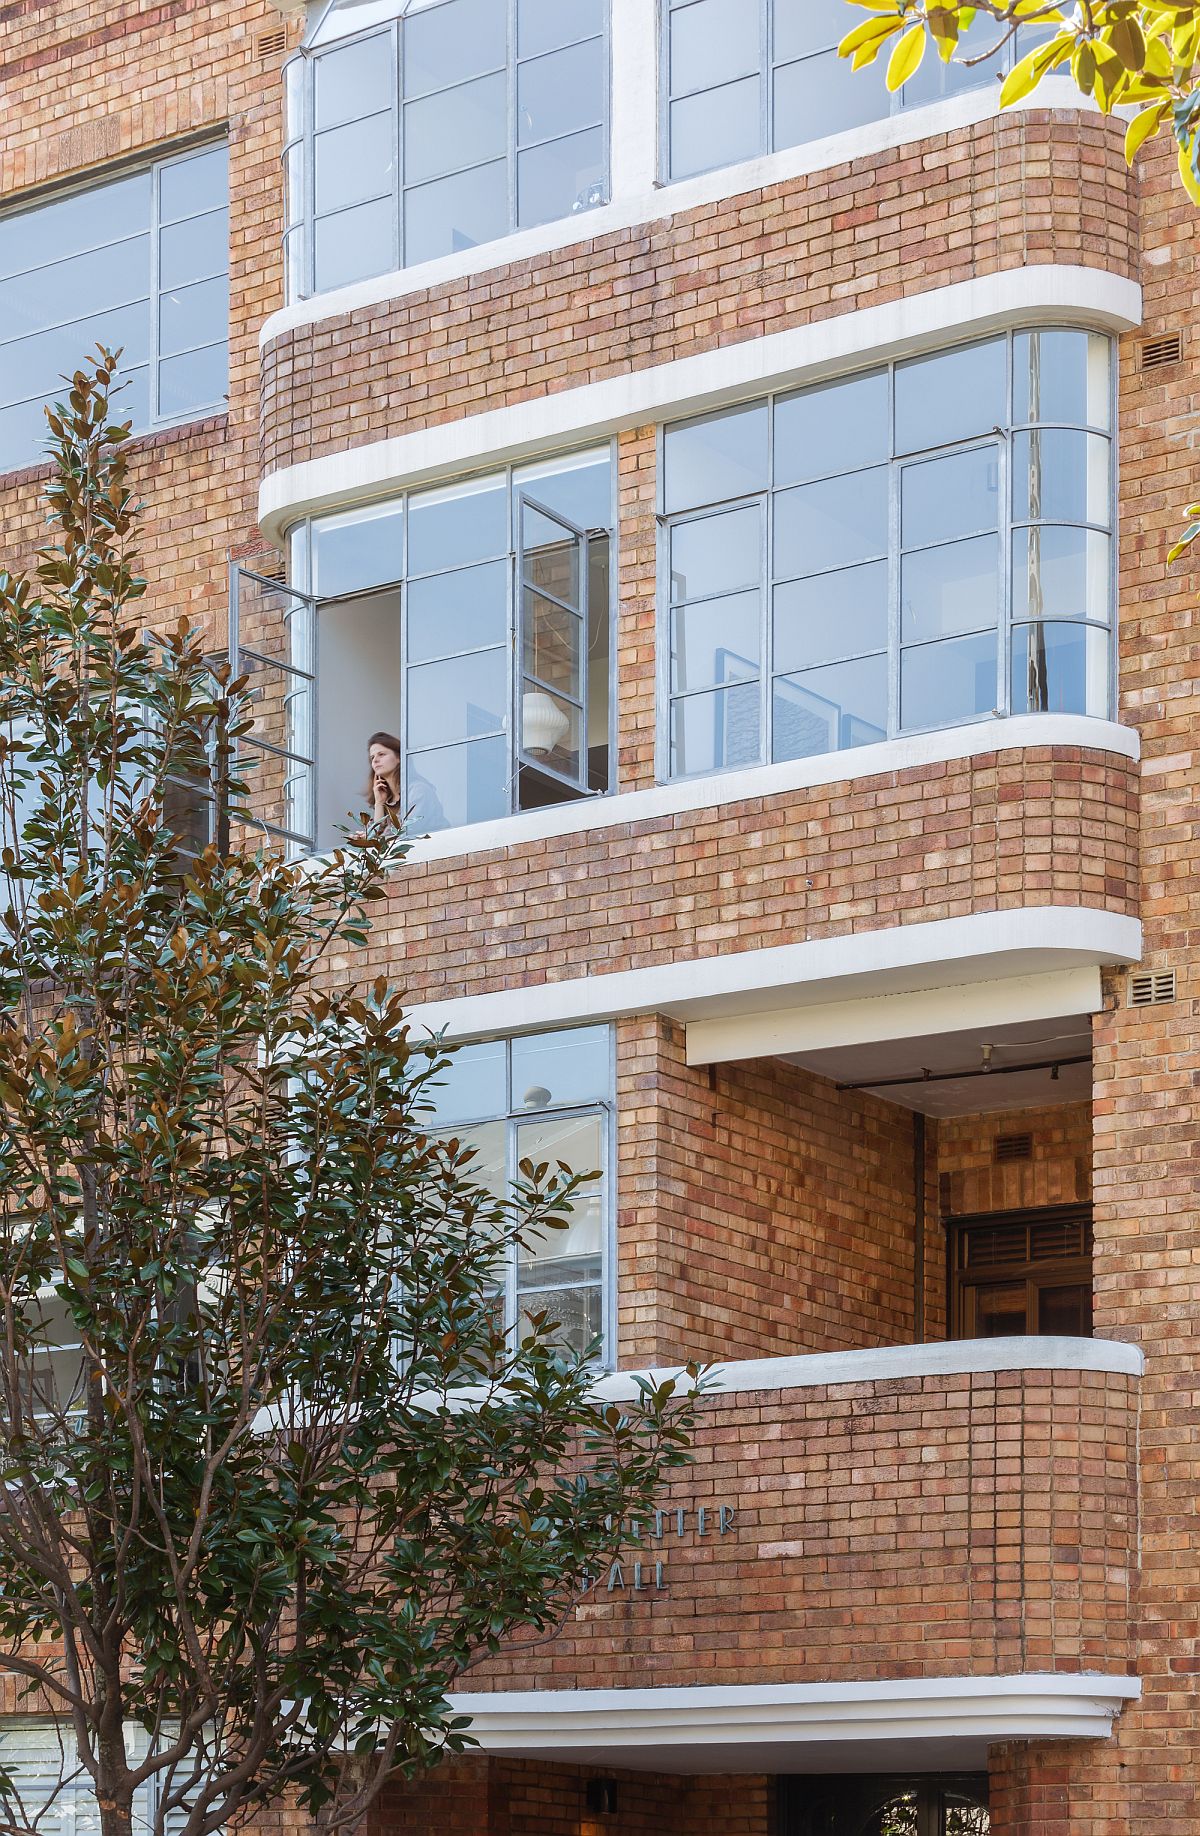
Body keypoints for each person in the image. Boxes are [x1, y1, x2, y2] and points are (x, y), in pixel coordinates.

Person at [365, 731, 403, 826]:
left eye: (381, 754)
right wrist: (379, 803)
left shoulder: (417, 790)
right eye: (372, 757)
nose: (375, 760)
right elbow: (377, 836)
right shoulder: (384, 798)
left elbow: (406, 830)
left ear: (399, 757)